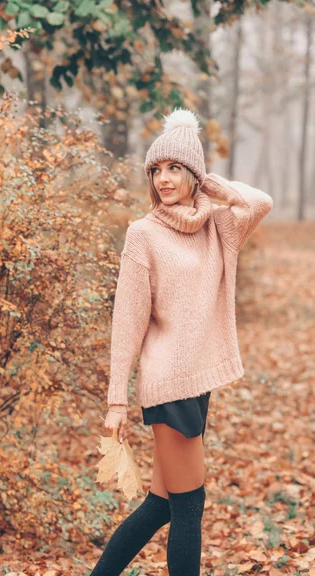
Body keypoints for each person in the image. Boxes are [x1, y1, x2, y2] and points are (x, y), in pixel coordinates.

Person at [90, 108, 273, 575]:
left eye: (175, 168)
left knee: (161, 505)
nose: (163, 179)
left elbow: (260, 203)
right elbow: (126, 322)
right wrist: (116, 400)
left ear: (195, 174)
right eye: (156, 170)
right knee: (191, 504)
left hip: (197, 381)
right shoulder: (143, 235)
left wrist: (212, 186)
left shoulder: (219, 226)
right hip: (167, 383)